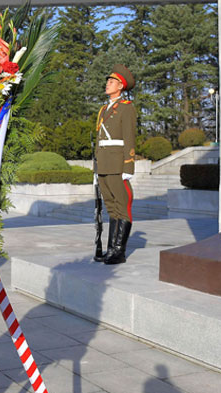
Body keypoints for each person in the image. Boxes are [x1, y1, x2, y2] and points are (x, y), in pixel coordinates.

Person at [93, 64, 136, 265]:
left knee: (122, 205)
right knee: (110, 206)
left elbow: (129, 137)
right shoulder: (103, 109)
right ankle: (110, 249)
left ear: (120, 86)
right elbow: (99, 138)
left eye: (111, 82)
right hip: (104, 163)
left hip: (118, 163)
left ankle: (119, 251)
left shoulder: (127, 107)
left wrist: (128, 166)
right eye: (108, 81)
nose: (107, 84)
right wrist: (96, 166)